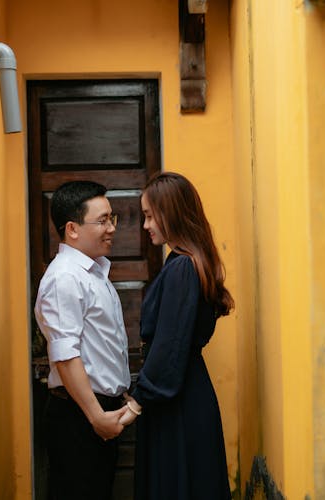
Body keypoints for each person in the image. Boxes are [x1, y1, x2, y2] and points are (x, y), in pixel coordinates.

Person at [119, 172, 234, 500]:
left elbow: (170, 345)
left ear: (171, 214)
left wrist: (139, 402)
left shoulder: (182, 267)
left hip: (178, 399)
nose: (145, 225)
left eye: (149, 216)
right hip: (182, 393)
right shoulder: (185, 262)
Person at [34, 180, 130, 500]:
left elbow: (101, 347)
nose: (111, 228)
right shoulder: (65, 278)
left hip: (98, 413)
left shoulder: (93, 272)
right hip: (79, 418)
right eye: (102, 220)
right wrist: (96, 416)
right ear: (72, 229)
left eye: (112, 219)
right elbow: (65, 355)